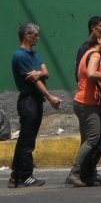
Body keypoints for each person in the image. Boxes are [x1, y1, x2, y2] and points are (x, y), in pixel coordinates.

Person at [8, 22, 62, 188]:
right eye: (35, 35)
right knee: (27, 140)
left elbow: (45, 72)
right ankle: (26, 175)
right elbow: (35, 81)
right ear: (26, 35)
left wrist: (39, 72)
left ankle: (15, 176)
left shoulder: (35, 54)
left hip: (35, 101)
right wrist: (50, 97)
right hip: (28, 101)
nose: (37, 38)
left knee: (25, 139)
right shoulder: (20, 56)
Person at [71, 16, 101, 186]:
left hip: (93, 99)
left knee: (93, 138)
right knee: (94, 138)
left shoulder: (98, 51)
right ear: (94, 29)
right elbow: (90, 74)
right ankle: (78, 172)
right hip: (89, 100)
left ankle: (88, 172)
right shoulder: (90, 52)